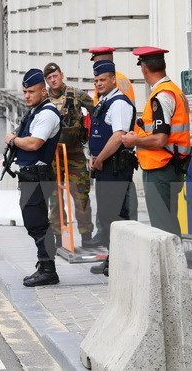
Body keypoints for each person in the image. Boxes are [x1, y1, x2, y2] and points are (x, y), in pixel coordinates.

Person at [122, 47, 191, 238]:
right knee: (166, 222)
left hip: (161, 167)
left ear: (144, 69)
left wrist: (135, 140)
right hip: (169, 165)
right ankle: (172, 267)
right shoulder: (174, 91)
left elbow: (161, 138)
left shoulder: (161, 96)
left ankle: (172, 268)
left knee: (163, 228)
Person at [5, 68, 61, 287]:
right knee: (33, 222)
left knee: (37, 223)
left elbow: (34, 143)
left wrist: (12, 140)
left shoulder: (47, 113)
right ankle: (44, 264)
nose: (27, 95)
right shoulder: (36, 111)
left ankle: (48, 269)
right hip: (30, 176)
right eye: (25, 92)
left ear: (43, 90)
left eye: (31, 91)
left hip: (38, 175)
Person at [87, 60, 137, 276]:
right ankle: (112, 259)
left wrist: (100, 159)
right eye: (96, 80)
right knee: (108, 216)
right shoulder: (104, 102)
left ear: (113, 79)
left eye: (102, 79)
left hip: (115, 167)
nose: (98, 83)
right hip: (104, 166)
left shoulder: (119, 103)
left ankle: (121, 263)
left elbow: (118, 136)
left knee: (117, 216)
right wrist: (93, 157)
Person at [42, 62, 97, 249]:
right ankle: (58, 235)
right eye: (49, 78)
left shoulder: (76, 94)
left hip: (74, 153)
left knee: (81, 194)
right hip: (53, 156)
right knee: (55, 198)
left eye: (55, 76)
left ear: (61, 75)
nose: (53, 80)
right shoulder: (44, 99)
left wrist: (95, 141)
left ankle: (86, 234)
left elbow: (96, 112)